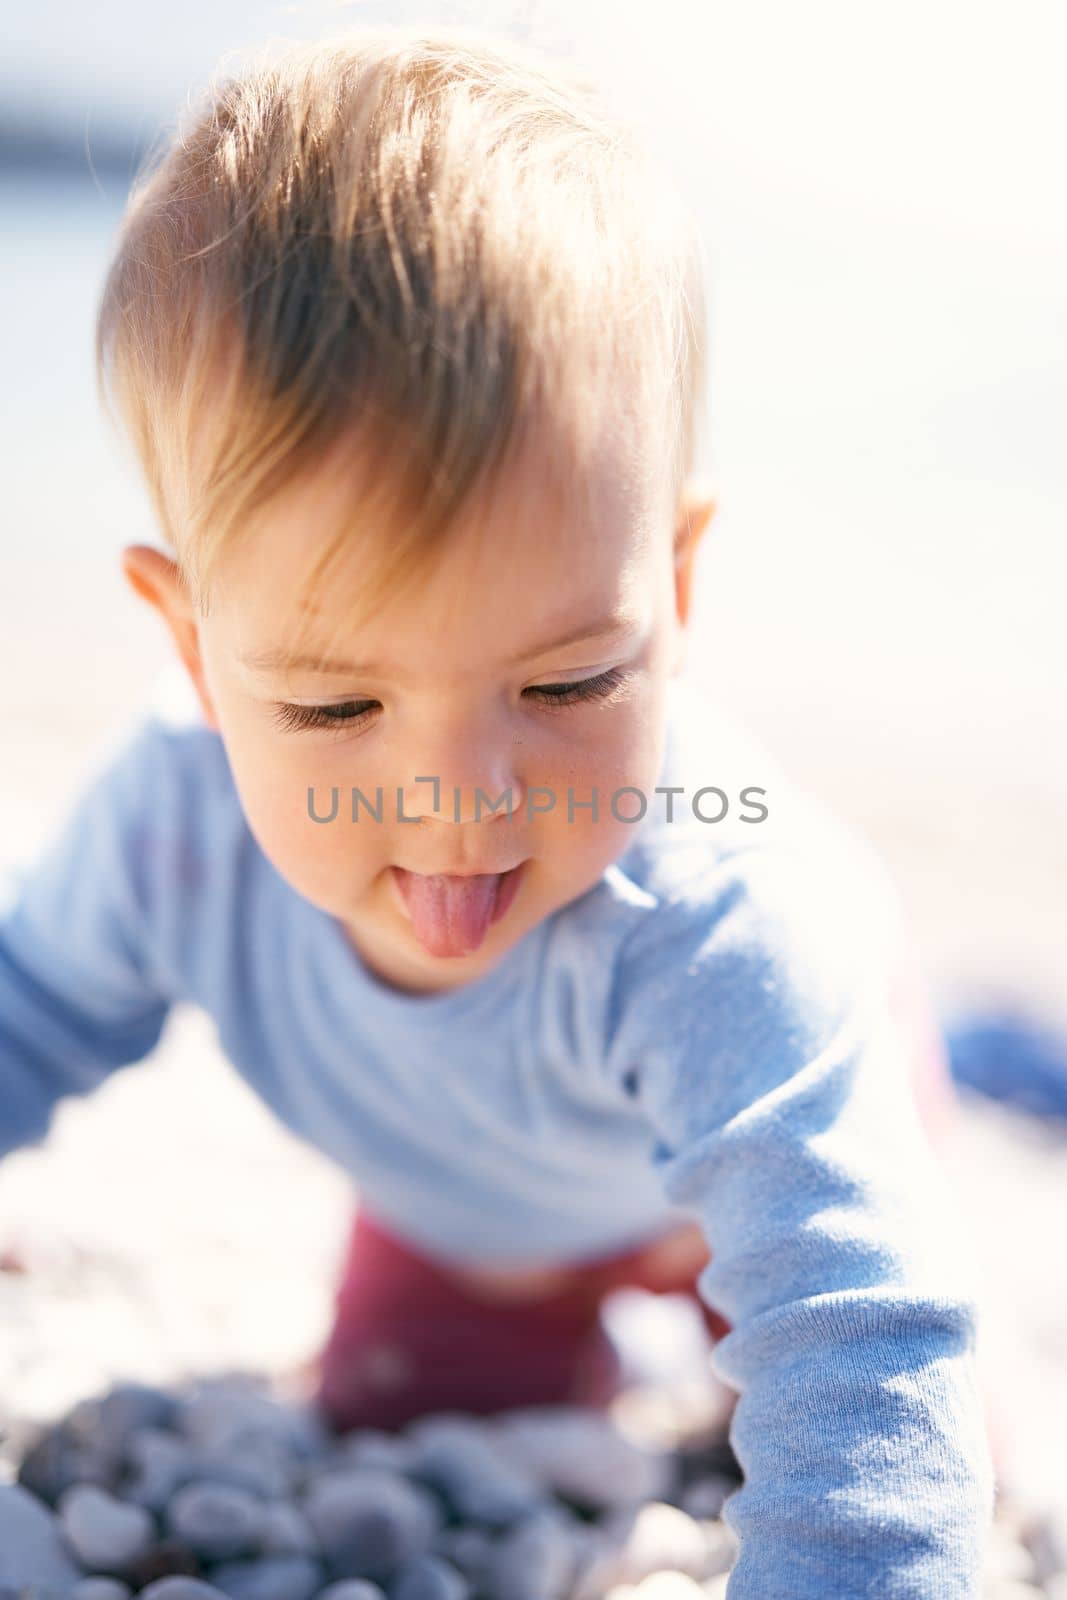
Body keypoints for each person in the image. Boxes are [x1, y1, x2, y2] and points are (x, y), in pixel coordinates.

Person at [0, 23, 996, 1596]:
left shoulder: (718, 917)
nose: (460, 802)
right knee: (401, 1419)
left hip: (796, 1111)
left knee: (889, 1407)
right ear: (193, 648)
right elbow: (18, 1009)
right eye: (335, 706)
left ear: (671, 584)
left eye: (572, 680)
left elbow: (860, 1321)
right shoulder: (170, 834)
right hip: (483, 1217)